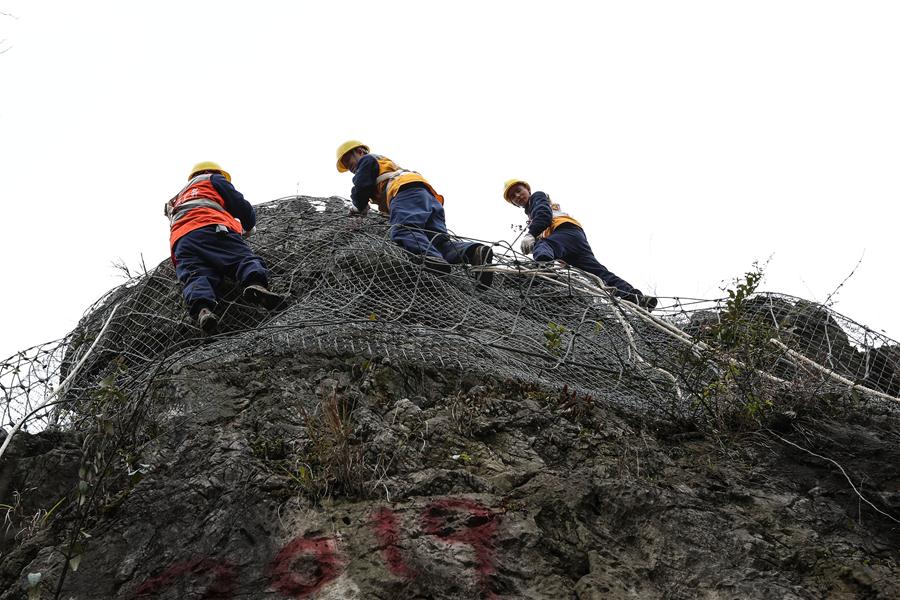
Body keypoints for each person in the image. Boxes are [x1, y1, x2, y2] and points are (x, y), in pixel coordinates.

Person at [335, 140, 494, 287]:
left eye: (348, 160)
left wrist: (358, 206)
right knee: (438, 242)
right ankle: (475, 252)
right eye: (346, 166)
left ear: (360, 151)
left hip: (406, 193)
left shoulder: (367, 160)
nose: (350, 167)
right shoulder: (384, 166)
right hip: (427, 197)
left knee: (404, 230)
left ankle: (432, 260)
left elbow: (361, 187)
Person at [502, 179, 657, 311]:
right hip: (573, 240)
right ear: (514, 204)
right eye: (513, 196)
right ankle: (637, 298)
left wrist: (531, 233)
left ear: (528, 190)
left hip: (565, 230)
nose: (517, 196)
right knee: (599, 274)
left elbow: (544, 214)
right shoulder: (531, 213)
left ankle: (543, 268)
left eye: (519, 191)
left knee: (543, 245)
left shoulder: (537, 197)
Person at [165, 161, 283, 333]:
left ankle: (203, 309)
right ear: (210, 171)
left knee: (196, 275)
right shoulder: (212, 178)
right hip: (210, 227)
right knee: (240, 258)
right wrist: (249, 224)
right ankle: (256, 284)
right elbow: (238, 203)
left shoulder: (178, 198)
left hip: (181, 241)